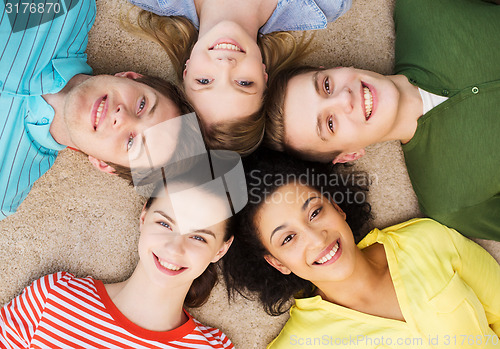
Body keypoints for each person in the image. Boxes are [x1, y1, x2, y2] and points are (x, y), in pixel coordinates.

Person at [262, 0, 500, 240]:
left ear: (335, 67)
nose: (344, 98)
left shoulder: (422, 7)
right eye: (330, 124)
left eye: (326, 85)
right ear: (349, 155)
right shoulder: (451, 202)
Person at [223, 149, 500, 348]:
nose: (317, 239)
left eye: (316, 212)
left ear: (336, 206)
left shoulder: (428, 239)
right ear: (277, 263)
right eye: (288, 238)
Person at [0, 0, 195, 220]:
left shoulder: (4, 188)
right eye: (142, 105)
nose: (122, 117)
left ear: (103, 164)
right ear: (130, 77)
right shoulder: (67, 9)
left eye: (131, 143)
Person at [0, 175, 235, 348]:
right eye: (164, 224)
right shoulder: (54, 295)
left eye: (198, 237)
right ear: (144, 217)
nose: (174, 248)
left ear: (221, 250)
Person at [127, 0, 352, 154]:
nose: (225, 65)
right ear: (264, 76)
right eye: (243, 83)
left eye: (204, 81)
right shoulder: (326, 4)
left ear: (187, 70)